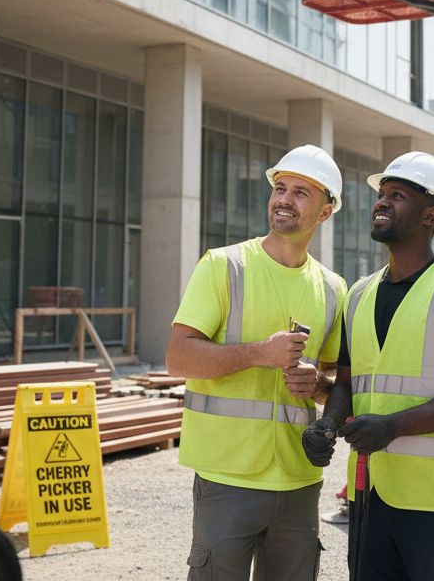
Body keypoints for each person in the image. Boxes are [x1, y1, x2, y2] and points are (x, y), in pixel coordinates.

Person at [302, 152, 434, 581]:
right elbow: (350, 383)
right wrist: (328, 424)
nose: (381, 203)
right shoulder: (360, 294)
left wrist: (391, 427)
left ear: (431, 215)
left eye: (397, 195)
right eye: (380, 195)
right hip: (370, 492)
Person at [166, 144, 350, 581]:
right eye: (280, 188)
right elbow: (178, 357)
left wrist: (317, 385)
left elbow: (335, 382)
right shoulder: (223, 266)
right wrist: (258, 353)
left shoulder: (332, 288)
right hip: (227, 476)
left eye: (301, 192)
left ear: (325, 212)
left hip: (299, 479)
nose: (284, 199)